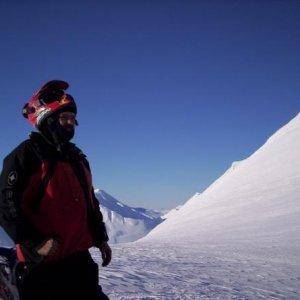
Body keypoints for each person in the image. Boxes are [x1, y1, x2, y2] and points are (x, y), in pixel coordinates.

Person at [0, 80, 112, 300]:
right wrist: (35, 244)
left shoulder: (77, 158)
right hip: (42, 265)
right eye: (64, 118)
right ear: (47, 119)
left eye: (72, 119)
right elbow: (6, 204)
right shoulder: (25, 156)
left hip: (79, 260)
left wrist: (100, 237)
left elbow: (89, 201)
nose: (70, 124)